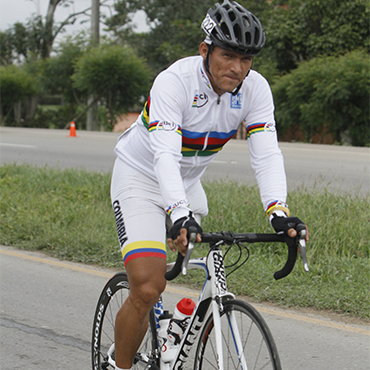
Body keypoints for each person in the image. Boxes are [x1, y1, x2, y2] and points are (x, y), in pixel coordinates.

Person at [110, 1, 308, 369]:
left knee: (206, 259)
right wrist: (178, 214)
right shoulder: (174, 83)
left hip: (186, 185)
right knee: (149, 286)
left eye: (246, 59)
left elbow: (266, 154)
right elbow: (164, 156)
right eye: (228, 55)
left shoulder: (256, 90)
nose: (237, 68)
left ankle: (174, 331)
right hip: (140, 178)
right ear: (205, 50)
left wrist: (278, 213)